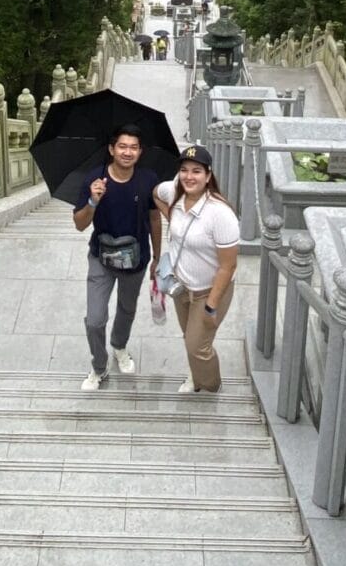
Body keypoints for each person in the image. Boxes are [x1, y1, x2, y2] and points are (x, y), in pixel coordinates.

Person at [71, 124, 162, 392]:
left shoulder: (148, 179)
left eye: (133, 147)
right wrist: (92, 201)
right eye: (122, 146)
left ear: (140, 151)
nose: (127, 152)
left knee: (127, 308)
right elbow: (78, 224)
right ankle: (99, 366)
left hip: (136, 259)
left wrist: (157, 257)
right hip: (101, 257)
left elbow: (155, 219)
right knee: (95, 319)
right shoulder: (94, 179)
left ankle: (119, 346)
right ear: (111, 149)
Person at [154, 144, 240, 393]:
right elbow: (155, 194)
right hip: (181, 287)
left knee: (197, 346)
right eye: (184, 170)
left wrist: (212, 306)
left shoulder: (220, 214)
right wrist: (171, 214)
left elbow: (228, 265)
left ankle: (210, 384)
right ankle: (196, 376)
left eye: (196, 171)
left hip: (209, 291)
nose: (189, 177)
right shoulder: (175, 194)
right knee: (190, 336)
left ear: (208, 176)